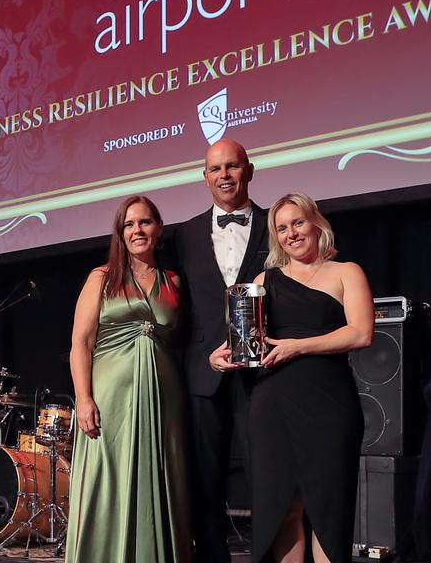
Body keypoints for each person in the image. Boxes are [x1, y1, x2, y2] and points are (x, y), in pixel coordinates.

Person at [211, 192, 374, 563]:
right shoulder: (264, 278)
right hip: (272, 406)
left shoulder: (347, 272)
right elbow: (242, 341)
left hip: (329, 404)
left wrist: (297, 346)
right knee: (282, 508)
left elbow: (361, 333)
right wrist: (220, 357)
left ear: (316, 224)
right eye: (281, 228)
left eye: (297, 223)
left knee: (329, 512)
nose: (291, 234)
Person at [65, 195, 190, 563]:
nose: (138, 230)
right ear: (120, 233)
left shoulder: (174, 282)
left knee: (162, 481)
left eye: (145, 222)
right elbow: (80, 343)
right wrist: (83, 398)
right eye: (129, 224)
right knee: (108, 481)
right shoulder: (101, 277)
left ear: (159, 229)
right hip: (110, 398)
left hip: (165, 399)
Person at [168, 139, 269, 563]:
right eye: (215, 169)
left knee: (268, 474)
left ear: (249, 170)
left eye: (232, 166)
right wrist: (203, 355)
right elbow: (178, 306)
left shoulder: (275, 224)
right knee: (205, 481)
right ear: (204, 176)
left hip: (264, 372)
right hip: (203, 373)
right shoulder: (184, 234)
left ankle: (271, 554)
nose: (224, 175)